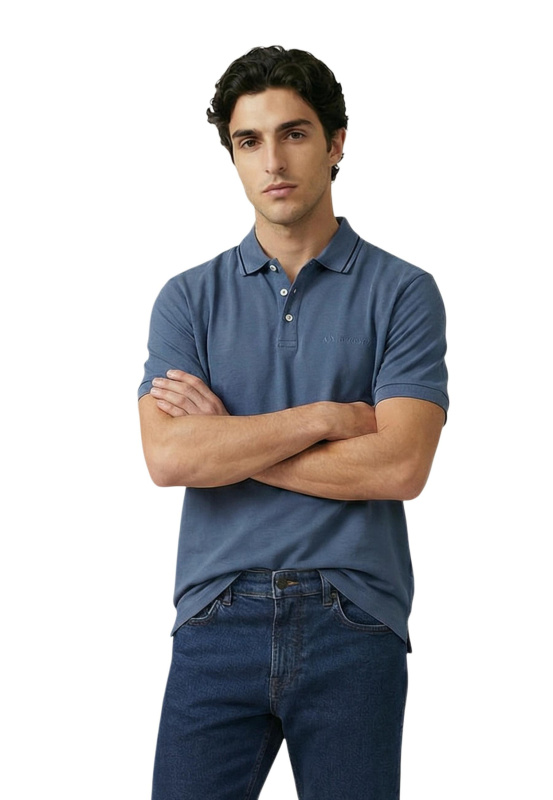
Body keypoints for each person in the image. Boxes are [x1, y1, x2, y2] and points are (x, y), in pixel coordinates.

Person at [138, 45, 448, 800]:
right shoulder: (187, 299)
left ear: (336, 142)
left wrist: (230, 439)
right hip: (216, 611)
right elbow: (169, 458)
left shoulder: (403, 293)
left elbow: (399, 466)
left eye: (295, 133)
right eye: (249, 141)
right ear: (233, 156)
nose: (272, 161)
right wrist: (325, 417)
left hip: (355, 614)